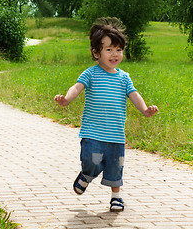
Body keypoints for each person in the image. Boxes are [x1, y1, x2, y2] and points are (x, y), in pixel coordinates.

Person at [54, 17, 158, 212]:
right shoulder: (91, 74)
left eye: (118, 50)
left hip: (116, 134)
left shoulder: (124, 77)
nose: (115, 54)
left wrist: (145, 110)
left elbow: (135, 95)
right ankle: (86, 175)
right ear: (96, 52)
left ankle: (116, 197)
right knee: (91, 162)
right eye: (109, 49)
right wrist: (66, 99)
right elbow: (76, 88)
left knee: (115, 167)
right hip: (93, 132)